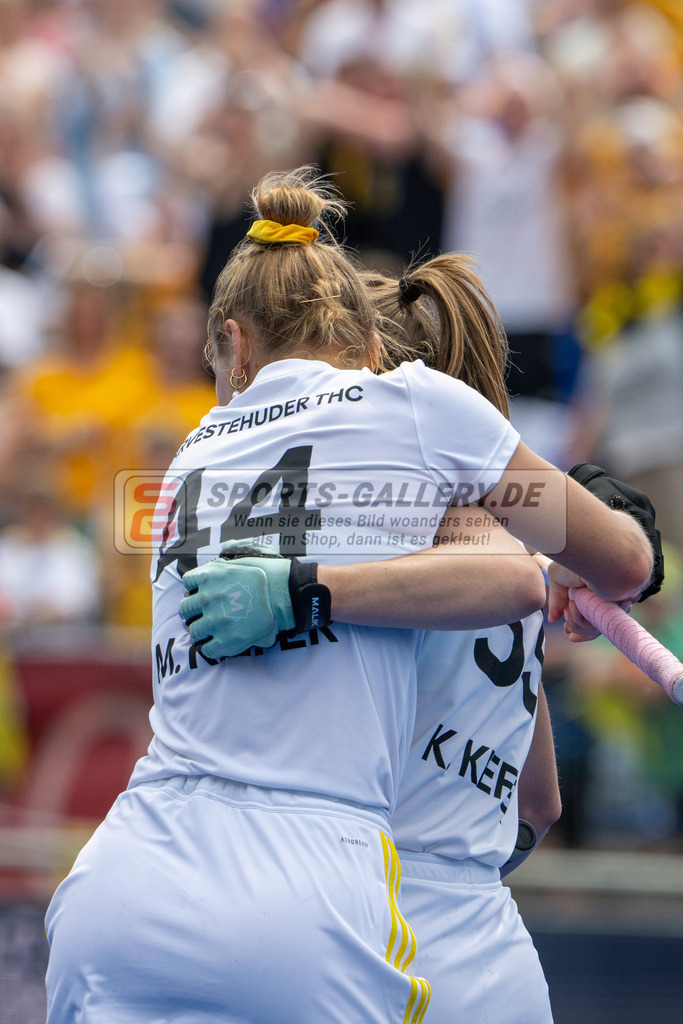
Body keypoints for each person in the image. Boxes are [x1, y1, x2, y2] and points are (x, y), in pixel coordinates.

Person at [45, 166, 654, 1024]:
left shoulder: (189, 451)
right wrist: (587, 535)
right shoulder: (415, 409)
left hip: (123, 872)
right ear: (365, 353)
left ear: (235, 343)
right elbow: (600, 567)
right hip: (321, 889)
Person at [182, 254, 664, 1024]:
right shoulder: (504, 548)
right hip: (493, 945)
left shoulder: (354, 524)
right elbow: (537, 804)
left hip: (359, 923)